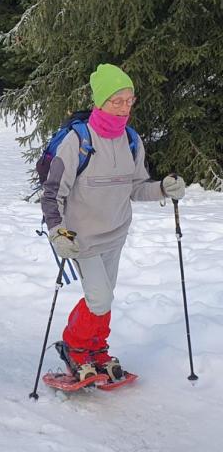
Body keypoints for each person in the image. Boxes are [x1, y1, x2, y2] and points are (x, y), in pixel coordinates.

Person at [41, 63, 185, 382]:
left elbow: (135, 187)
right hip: (81, 238)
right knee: (100, 297)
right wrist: (57, 231)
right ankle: (75, 346)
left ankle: (96, 348)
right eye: (116, 100)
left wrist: (163, 188)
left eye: (129, 99)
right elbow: (52, 194)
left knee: (104, 296)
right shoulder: (78, 141)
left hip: (115, 235)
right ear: (100, 101)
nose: (123, 107)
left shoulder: (131, 140)